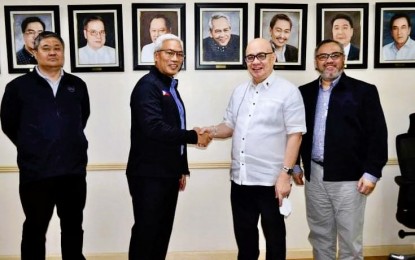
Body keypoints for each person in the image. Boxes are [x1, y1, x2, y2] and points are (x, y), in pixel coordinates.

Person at [199, 38, 306, 259]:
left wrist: (285, 175)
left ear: (273, 57)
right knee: (246, 243)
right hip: (240, 181)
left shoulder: (288, 92)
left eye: (261, 56)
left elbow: (295, 135)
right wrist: (208, 131)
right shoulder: (239, 92)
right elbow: (229, 126)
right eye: (250, 57)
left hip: (271, 182)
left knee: (275, 242)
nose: (255, 62)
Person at [294, 39, 388, 260]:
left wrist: (372, 172)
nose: (329, 61)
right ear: (316, 62)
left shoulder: (364, 91)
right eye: (323, 57)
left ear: (343, 59)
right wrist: (295, 166)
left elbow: (378, 135)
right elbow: (296, 132)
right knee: (320, 237)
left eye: (334, 55)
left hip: (351, 178)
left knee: (349, 240)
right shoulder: (303, 93)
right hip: (315, 176)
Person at [1, 31, 90, 260]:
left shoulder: (77, 85)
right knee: (35, 228)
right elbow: (9, 124)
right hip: (36, 173)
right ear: (34, 52)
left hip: (72, 172)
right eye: (46, 48)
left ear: (63, 52)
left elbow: (82, 118)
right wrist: (33, 147)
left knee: (73, 227)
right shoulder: (17, 87)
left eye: (57, 48)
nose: (53, 52)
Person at [126, 33, 211, 260]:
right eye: (169, 53)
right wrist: (194, 136)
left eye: (179, 54)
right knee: (147, 233)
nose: (175, 58)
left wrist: (180, 168)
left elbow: (175, 127)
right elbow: (154, 128)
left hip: (168, 173)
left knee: (161, 233)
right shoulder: (147, 87)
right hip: (148, 175)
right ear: (156, 56)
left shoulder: (169, 86)